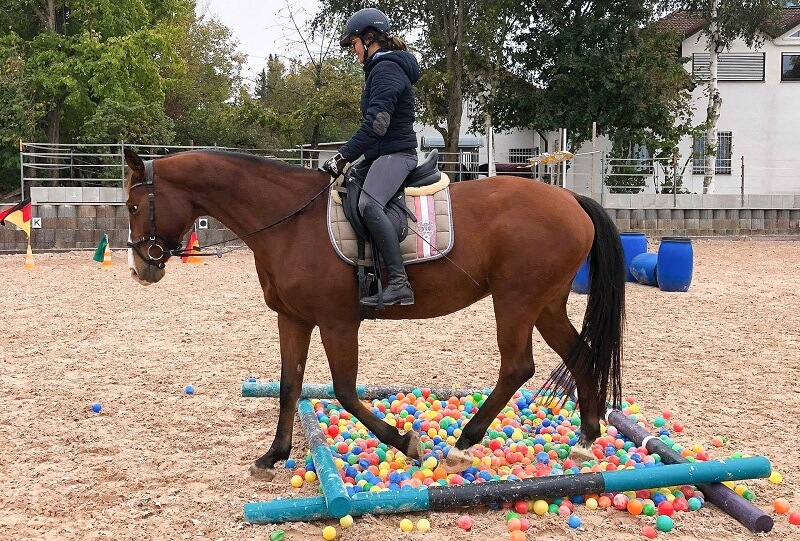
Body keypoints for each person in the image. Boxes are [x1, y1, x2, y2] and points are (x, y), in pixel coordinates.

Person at [320, 7, 419, 307]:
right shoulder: (379, 69)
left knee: (368, 202)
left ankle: (400, 283)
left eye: (353, 44)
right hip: (381, 153)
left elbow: (378, 124)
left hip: (397, 154)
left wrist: (343, 156)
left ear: (369, 38)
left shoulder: (387, 69)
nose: (353, 50)